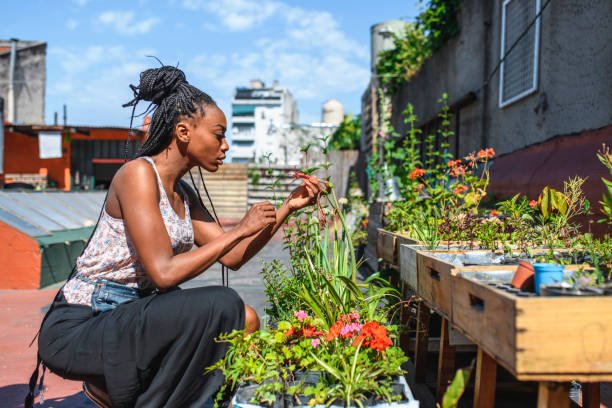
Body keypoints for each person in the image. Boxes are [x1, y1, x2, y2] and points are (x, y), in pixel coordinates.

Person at [28, 66, 325, 408]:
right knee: (222, 303)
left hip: (132, 315)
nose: (225, 145)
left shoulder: (183, 192)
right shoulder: (138, 175)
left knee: (244, 318)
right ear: (184, 131)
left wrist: (288, 206)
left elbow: (233, 256)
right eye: (219, 134)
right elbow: (163, 272)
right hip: (84, 324)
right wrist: (241, 228)